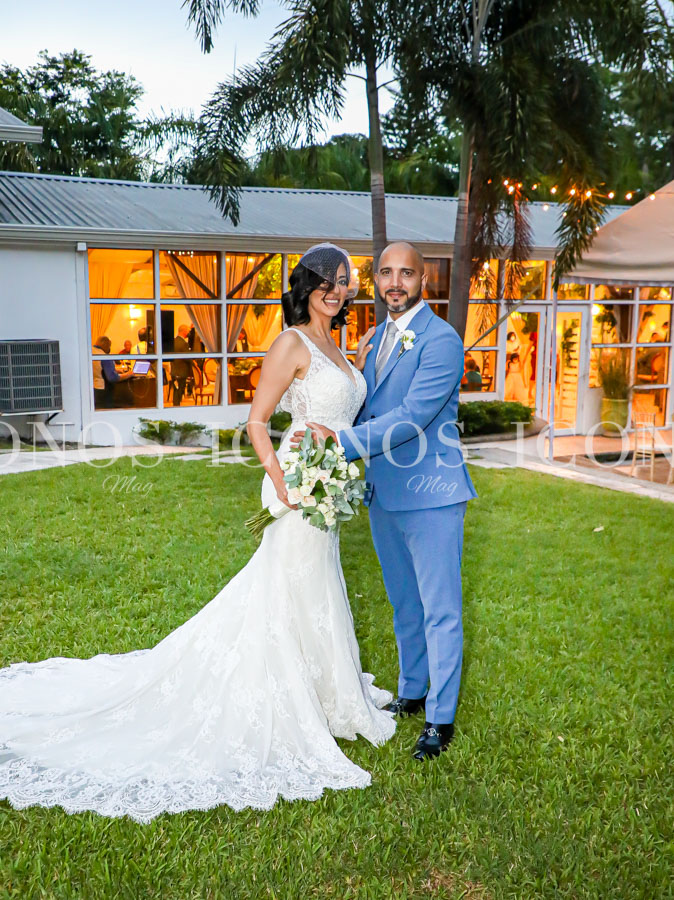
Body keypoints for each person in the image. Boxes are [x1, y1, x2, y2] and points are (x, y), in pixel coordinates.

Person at [0, 243, 394, 822]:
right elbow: (258, 421)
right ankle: (300, 698)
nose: (337, 291)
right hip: (299, 479)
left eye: (344, 281)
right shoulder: (292, 342)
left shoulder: (341, 343)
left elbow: (344, 413)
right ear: (306, 285)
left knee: (312, 584)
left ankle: (327, 693)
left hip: (328, 480)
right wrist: (283, 479)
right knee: (294, 582)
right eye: (326, 282)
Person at [292, 242, 478, 761]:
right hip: (384, 494)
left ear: (424, 279)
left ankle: (440, 719)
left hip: (433, 495)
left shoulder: (442, 341)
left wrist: (338, 443)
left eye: (407, 273)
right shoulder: (375, 342)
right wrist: (355, 365)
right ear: (375, 280)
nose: (396, 282)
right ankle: (413, 690)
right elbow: (367, 400)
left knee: (440, 610)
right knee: (403, 603)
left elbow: (413, 417)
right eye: (386, 273)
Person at [91, 336, 135, 409]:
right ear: (106, 346)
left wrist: (114, 369)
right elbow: (112, 377)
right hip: (104, 391)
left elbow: (98, 368)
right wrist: (128, 374)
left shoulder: (91, 352)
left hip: (93, 388)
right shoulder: (104, 357)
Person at [170, 324, 193, 406]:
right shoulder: (183, 344)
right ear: (184, 331)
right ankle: (176, 408)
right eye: (188, 331)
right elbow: (188, 358)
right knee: (179, 392)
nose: (189, 333)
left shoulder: (173, 342)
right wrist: (195, 362)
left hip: (174, 371)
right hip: (181, 372)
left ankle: (175, 406)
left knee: (176, 392)